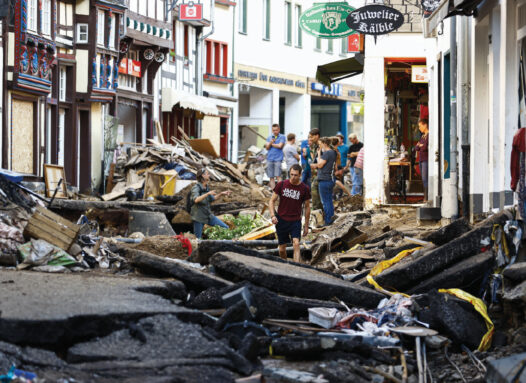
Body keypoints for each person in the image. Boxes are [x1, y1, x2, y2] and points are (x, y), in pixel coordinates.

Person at [269, 164, 311, 262]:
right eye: (291, 174)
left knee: (296, 243)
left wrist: (306, 226)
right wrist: (272, 216)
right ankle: (285, 266)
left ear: (300, 175)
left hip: (295, 221)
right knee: (282, 249)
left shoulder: (304, 188)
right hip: (281, 220)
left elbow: (307, 207)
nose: (293, 177)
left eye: (295, 175)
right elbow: (271, 201)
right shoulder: (282, 184)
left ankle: (296, 267)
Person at [190, 168, 231, 239]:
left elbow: (213, 198)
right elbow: (196, 200)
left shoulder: (206, 187)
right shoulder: (196, 188)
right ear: (203, 176)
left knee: (225, 227)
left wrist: (221, 193)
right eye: (207, 173)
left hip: (208, 215)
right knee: (198, 239)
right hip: (199, 217)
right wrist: (207, 194)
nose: (209, 175)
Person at [311, 137, 336, 226]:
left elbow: (320, 165)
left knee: (325, 202)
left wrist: (314, 165)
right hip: (330, 179)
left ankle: (328, 220)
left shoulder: (327, 153)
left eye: (320, 143)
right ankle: (330, 218)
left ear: (324, 143)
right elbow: (321, 162)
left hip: (324, 179)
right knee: (328, 200)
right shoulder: (332, 152)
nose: (319, 145)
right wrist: (319, 154)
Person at [265, 123, 286, 190]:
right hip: (269, 159)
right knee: (271, 177)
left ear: (279, 130)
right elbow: (267, 148)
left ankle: (279, 191)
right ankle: (274, 192)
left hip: (278, 159)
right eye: (273, 130)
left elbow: (280, 146)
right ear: (272, 130)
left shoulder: (282, 137)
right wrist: (271, 143)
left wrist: (271, 144)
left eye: (276, 130)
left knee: (278, 176)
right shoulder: (269, 137)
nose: (275, 131)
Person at [307, 129, 322, 210]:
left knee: (317, 192)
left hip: (321, 172)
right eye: (309, 137)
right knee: (314, 193)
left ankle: (318, 210)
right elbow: (313, 158)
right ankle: (317, 211)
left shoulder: (322, 145)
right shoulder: (313, 146)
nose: (310, 139)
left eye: (312, 137)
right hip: (314, 173)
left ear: (317, 136)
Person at [415, 119, 429, 201]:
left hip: (426, 159)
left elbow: (425, 147)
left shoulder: (428, 136)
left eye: (420, 126)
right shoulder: (423, 136)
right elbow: (416, 147)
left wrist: (421, 145)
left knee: (425, 178)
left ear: (425, 125)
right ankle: (425, 196)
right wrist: (420, 145)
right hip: (421, 159)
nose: (419, 128)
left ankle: (426, 197)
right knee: (423, 178)